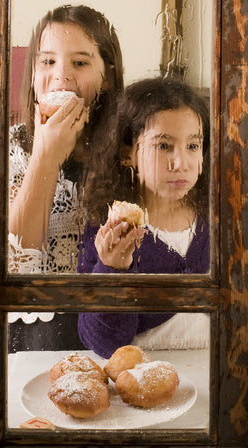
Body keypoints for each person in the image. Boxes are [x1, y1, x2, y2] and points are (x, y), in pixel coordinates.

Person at [7, 5, 123, 352]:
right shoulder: (6, 151)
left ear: (108, 77)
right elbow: (12, 266)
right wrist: (45, 157)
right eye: (47, 62)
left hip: (108, 336)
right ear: (32, 74)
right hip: (27, 345)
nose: (61, 76)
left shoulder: (130, 153)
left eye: (81, 62)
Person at [77, 77, 211, 358]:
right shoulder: (110, 232)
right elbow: (102, 343)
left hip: (215, 376)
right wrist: (112, 271)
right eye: (164, 146)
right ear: (129, 154)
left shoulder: (218, 221)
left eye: (193, 146)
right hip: (141, 380)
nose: (181, 163)